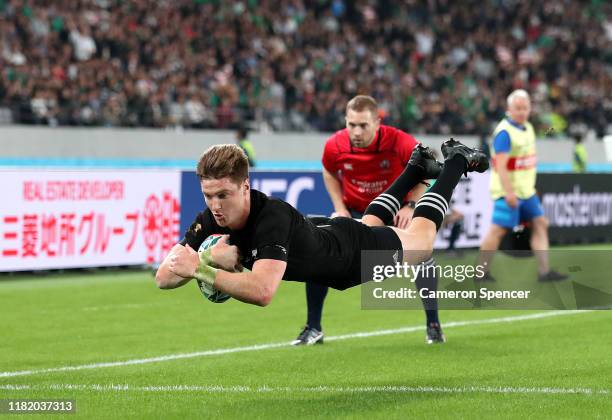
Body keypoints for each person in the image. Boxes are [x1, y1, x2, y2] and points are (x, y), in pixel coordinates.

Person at [155, 140, 488, 335]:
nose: (214, 205)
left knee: (421, 241)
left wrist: (201, 268)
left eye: (223, 195)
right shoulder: (210, 220)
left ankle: (456, 161)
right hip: (331, 238)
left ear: (245, 186)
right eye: (208, 195)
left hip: (350, 256)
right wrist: (208, 258)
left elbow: (263, 291)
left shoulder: (270, 217)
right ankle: (417, 166)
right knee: (370, 223)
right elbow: (163, 277)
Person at [295, 95, 434, 346]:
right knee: (318, 255)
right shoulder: (335, 145)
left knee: (421, 257)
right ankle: (313, 328)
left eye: (363, 125)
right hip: (356, 212)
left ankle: (433, 324)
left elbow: (427, 168)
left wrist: (411, 205)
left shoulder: (401, 141)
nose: (356, 132)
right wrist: (340, 208)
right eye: (351, 125)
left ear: (377, 122)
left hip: (395, 212)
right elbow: (328, 171)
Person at [478, 89, 567, 282]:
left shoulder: (528, 127)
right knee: (498, 230)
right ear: (509, 109)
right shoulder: (504, 133)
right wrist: (509, 193)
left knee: (540, 224)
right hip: (507, 191)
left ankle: (544, 272)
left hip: (527, 192)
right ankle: (481, 273)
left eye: (525, 108)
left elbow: (526, 162)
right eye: (517, 108)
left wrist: (530, 187)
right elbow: (500, 166)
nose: (522, 112)